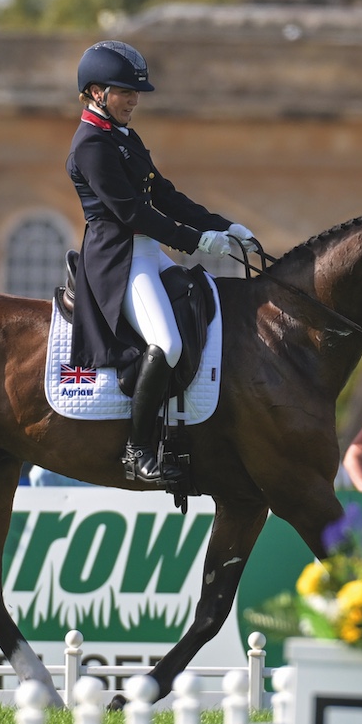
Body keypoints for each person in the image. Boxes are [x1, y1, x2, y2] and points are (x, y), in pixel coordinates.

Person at [65, 40, 261, 485]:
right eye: (125, 92)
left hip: (149, 254)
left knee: (204, 308)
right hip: (120, 262)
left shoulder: (124, 137)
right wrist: (198, 241)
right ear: (97, 92)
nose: (134, 99)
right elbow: (133, 213)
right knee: (167, 344)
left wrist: (224, 226)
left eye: (136, 93)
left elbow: (165, 196)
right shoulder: (92, 145)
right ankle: (137, 451)